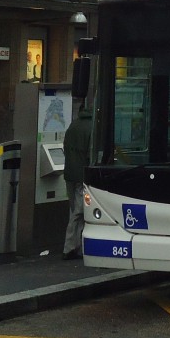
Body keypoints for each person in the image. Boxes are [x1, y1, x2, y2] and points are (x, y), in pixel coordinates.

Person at [62, 101, 93, 260]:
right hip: (82, 175)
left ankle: (77, 247)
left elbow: (65, 147)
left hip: (69, 174)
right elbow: (90, 155)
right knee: (78, 212)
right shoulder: (92, 128)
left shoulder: (72, 126)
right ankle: (69, 247)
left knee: (74, 209)